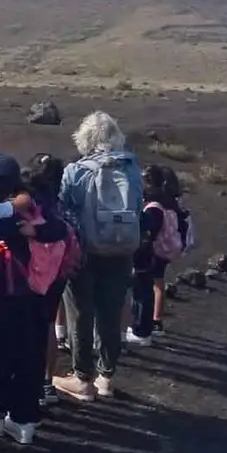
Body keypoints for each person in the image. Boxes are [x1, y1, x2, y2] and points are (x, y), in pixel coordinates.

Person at [0, 154, 60, 445]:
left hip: (8, 292)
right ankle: (25, 420)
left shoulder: (8, 213)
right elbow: (61, 229)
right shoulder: (40, 204)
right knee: (32, 354)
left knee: (0, 352)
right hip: (41, 291)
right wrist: (37, 230)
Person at [53, 111, 143, 402]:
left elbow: (63, 210)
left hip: (85, 252)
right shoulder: (132, 169)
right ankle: (107, 377)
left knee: (80, 314)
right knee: (111, 312)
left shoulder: (76, 171)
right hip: (121, 250)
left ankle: (83, 378)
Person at [21, 153, 72, 406]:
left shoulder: (29, 202)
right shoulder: (62, 203)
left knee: (27, 327)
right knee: (48, 323)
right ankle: (46, 383)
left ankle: (27, 385)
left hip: (33, 272)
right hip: (59, 270)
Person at [128, 165, 190, 345]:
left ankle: (142, 330)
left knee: (143, 290)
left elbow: (148, 234)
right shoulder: (169, 203)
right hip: (164, 252)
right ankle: (154, 323)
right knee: (155, 285)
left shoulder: (154, 208)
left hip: (152, 254)